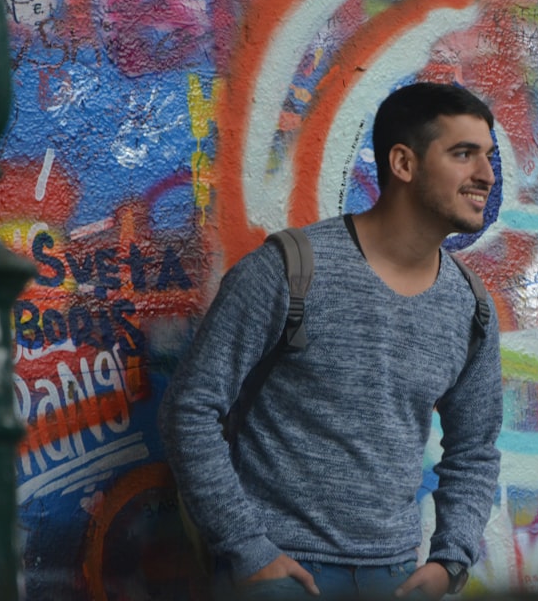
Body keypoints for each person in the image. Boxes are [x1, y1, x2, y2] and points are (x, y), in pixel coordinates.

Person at [160, 82, 503, 600]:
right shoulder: (290, 270)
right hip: (282, 573)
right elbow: (188, 409)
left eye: (488, 156)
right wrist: (249, 550)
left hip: (395, 577)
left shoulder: (470, 306)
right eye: (463, 154)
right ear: (403, 163)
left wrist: (450, 561)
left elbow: (475, 449)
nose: (486, 175)